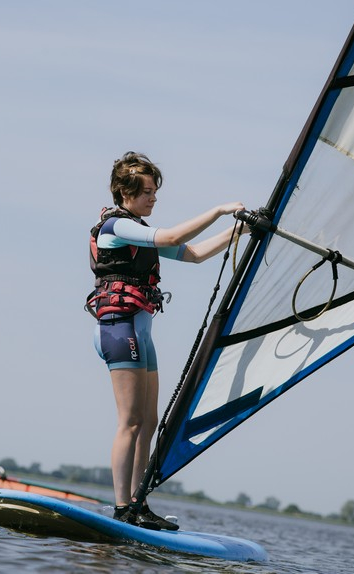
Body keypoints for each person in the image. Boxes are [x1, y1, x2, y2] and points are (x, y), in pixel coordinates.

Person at [88, 151, 244, 530]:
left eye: (155, 192)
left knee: (150, 421)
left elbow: (194, 254)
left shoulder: (141, 232)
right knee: (130, 421)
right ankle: (122, 508)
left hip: (140, 333)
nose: (153, 198)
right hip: (118, 330)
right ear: (125, 193)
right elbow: (173, 236)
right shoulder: (116, 227)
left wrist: (241, 231)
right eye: (147, 192)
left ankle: (138, 504)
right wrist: (219, 211)